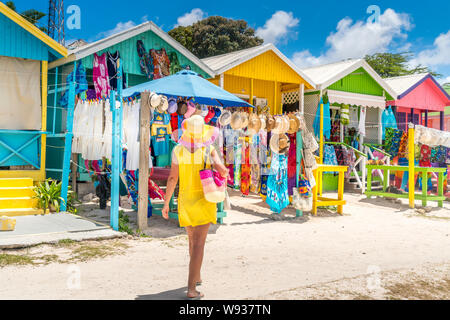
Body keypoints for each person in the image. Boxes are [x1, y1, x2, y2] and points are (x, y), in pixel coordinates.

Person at [162, 115, 228, 300]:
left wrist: (167, 203)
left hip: (185, 199)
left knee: (192, 241)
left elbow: (172, 179)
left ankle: (196, 275)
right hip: (205, 199)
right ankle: (192, 288)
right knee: (199, 244)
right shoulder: (209, 149)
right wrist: (223, 173)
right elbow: (222, 170)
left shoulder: (177, 150)